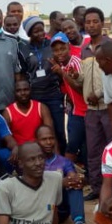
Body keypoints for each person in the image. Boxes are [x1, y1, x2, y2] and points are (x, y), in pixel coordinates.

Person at [35, 125, 93, 224]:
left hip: (60, 210)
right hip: (41, 211)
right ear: (36, 141)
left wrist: (77, 179)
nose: (49, 142)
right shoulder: (33, 161)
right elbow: (32, 186)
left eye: (51, 138)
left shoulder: (63, 161)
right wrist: (60, 182)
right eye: (44, 139)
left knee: (74, 184)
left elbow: (72, 177)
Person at [81, 7, 112, 200]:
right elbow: (82, 80)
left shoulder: (111, 45)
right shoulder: (84, 50)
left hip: (109, 107)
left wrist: (101, 94)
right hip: (91, 109)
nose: (91, 25)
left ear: (102, 23)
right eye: (88, 22)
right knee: (93, 150)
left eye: (95, 21)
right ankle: (96, 187)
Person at [22, 15, 67, 153]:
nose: (41, 34)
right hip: (35, 95)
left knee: (59, 129)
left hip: (53, 94)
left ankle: (61, 158)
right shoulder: (24, 49)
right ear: (29, 33)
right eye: (36, 31)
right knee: (39, 130)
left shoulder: (51, 45)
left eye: (42, 30)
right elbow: (24, 72)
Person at [50, 32, 87, 164]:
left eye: (62, 49)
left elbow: (82, 90)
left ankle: (67, 174)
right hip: (75, 110)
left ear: (69, 47)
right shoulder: (61, 65)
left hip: (83, 111)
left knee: (73, 146)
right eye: (55, 50)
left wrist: (62, 74)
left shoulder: (75, 62)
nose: (59, 53)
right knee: (79, 145)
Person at [3, 79, 54, 146]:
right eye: (19, 91)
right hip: (19, 150)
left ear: (30, 90)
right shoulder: (7, 112)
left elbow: (50, 133)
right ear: (14, 93)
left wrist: (56, 155)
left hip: (39, 148)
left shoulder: (41, 107)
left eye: (26, 90)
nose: (23, 93)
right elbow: (7, 138)